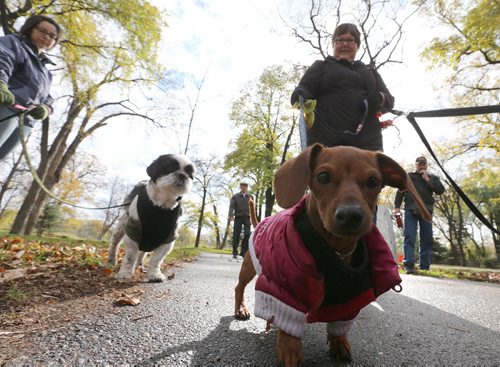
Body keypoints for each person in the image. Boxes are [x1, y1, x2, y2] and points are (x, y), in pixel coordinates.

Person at [291, 23, 394, 151]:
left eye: (350, 40)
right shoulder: (321, 66)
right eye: (340, 40)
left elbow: (390, 100)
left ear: (357, 45)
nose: (345, 44)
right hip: (326, 141)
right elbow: (305, 88)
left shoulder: (370, 71)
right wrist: (300, 95)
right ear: (333, 44)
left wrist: (379, 98)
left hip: (368, 143)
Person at [0, 15, 61, 160]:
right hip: (6, 108)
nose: (47, 37)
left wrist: (46, 109)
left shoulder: (46, 73)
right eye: (43, 31)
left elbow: (47, 98)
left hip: (26, 122)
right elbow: (3, 61)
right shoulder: (13, 43)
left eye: (52, 36)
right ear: (30, 29)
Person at [393, 156, 445, 273]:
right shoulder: (409, 177)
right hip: (410, 210)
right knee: (409, 237)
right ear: (416, 165)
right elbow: (400, 192)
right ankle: (409, 265)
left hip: (426, 211)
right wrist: (397, 207)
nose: (421, 165)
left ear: (426, 165)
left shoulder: (432, 178)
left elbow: (441, 191)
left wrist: (427, 179)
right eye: (419, 164)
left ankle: (424, 266)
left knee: (427, 239)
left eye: (423, 164)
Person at [228, 182, 253, 259]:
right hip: (238, 217)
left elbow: (252, 207)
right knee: (236, 235)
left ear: (247, 188)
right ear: (240, 187)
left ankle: (244, 252)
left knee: (247, 234)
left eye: (245, 186)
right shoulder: (235, 197)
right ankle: (235, 252)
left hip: (247, 218)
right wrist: (231, 215)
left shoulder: (250, 197)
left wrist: (253, 217)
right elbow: (231, 207)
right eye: (242, 186)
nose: (243, 188)